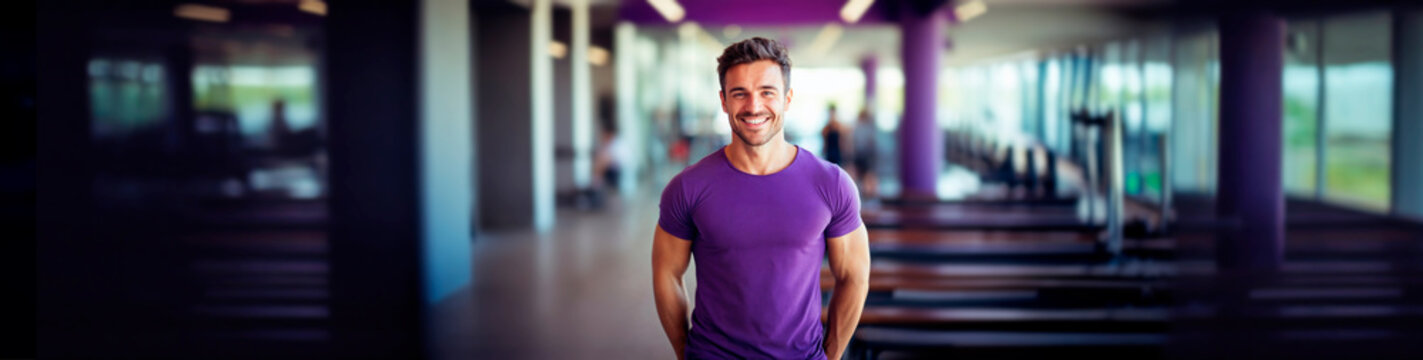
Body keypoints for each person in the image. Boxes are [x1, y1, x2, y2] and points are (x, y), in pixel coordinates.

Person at [651, 37, 871, 360]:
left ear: (787, 98)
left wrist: (831, 356)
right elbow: (666, 273)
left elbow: (854, 275)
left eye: (767, 92)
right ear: (724, 101)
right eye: (740, 93)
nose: (753, 106)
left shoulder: (832, 184)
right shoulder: (687, 187)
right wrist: (686, 353)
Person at [850, 108, 878, 197]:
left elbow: (854, 143)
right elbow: (871, 143)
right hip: (864, 155)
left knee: (863, 176)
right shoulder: (868, 128)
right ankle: (866, 192)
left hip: (862, 155)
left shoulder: (858, 128)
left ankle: (864, 192)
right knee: (865, 175)